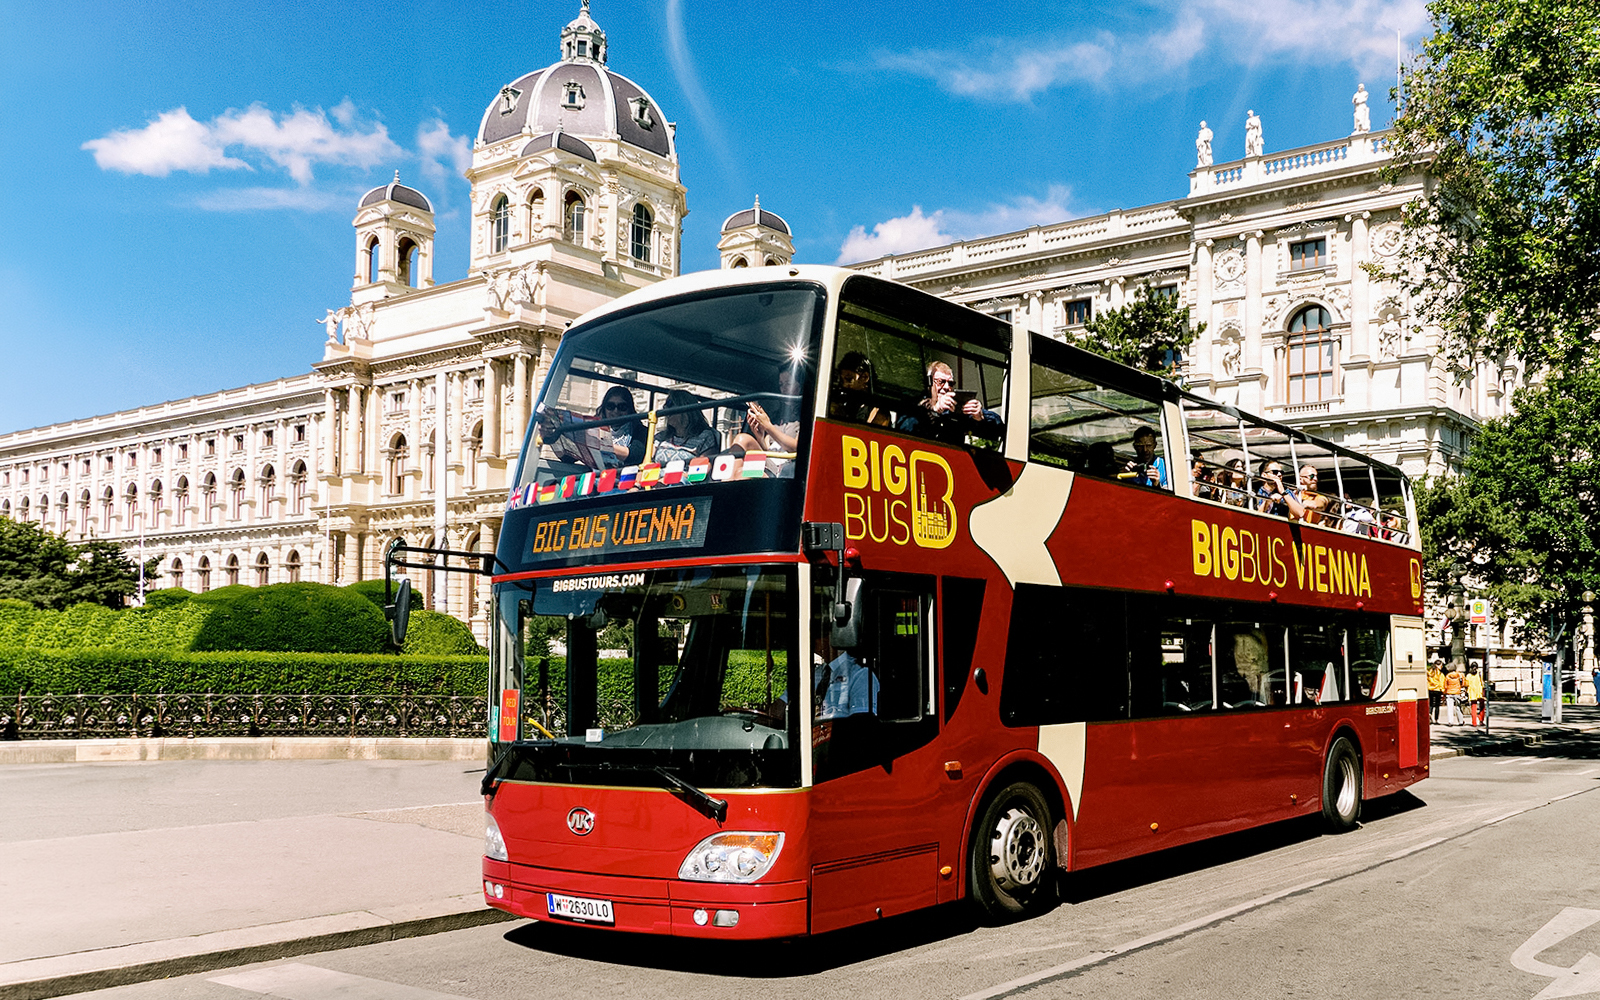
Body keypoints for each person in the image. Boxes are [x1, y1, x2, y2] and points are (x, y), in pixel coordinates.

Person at [896, 360, 1002, 445]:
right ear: (929, 384)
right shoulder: (914, 406)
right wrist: (935, 411)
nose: (947, 387)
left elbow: (998, 430)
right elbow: (904, 431)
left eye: (950, 383)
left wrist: (979, 417)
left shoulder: (956, 410)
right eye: (941, 382)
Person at [540, 385, 646, 468]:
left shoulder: (640, 430)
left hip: (626, 480)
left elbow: (636, 455)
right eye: (610, 406)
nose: (616, 411)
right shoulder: (596, 426)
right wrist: (552, 438)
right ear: (604, 409)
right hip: (597, 478)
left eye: (622, 407)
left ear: (630, 409)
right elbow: (568, 459)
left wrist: (601, 446)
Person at [732, 364, 803, 477]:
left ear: (800, 386)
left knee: (743, 474)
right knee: (742, 439)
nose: (783, 388)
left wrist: (768, 426)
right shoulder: (778, 415)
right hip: (770, 463)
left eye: (788, 384)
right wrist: (759, 436)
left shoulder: (806, 415)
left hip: (786, 467)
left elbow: (796, 447)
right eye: (781, 384)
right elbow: (766, 448)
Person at [652, 389, 720, 465]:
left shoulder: (705, 437)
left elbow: (702, 469)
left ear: (685, 409)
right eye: (666, 405)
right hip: (657, 476)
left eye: (670, 404)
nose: (665, 408)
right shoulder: (660, 437)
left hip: (684, 476)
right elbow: (646, 466)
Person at [828, 352, 891, 427]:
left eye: (849, 379)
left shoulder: (878, 410)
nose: (844, 385)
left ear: (865, 377)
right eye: (842, 381)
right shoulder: (844, 403)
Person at [815, 646, 878, 720]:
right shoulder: (814, 674)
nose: (815, 643)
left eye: (818, 637)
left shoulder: (860, 673)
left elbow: (862, 719)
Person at [1442, 661, 1465, 725]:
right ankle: (1461, 721)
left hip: (1449, 693)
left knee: (1450, 708)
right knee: (1458, 707)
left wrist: (1445, 692)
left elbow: (1445, 686)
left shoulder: (1447, 676)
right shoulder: (1460, 675)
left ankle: (1450, 721)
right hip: (1457, 693)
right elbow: (1464, 684)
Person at [1465, 662, 1486, 727]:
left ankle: (1474, 722)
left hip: (1472, 693)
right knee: (1482, 707)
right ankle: (1481, 720)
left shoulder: (1468, 675)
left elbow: (1466, 684)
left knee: (1474, 708)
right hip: (1479, 692)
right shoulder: (1479, 673)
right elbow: (1482, 682)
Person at [1426, 658, 1445, 723]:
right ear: (1438, 665)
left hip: (1430, 689)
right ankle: (1436, 719)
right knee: (1437, 705)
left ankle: (1429, 716)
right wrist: (1443, 690)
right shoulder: (1440, 674)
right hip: (1438, 690)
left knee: (1431, 704)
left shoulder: (1429, 672)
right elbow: (1442, 682)